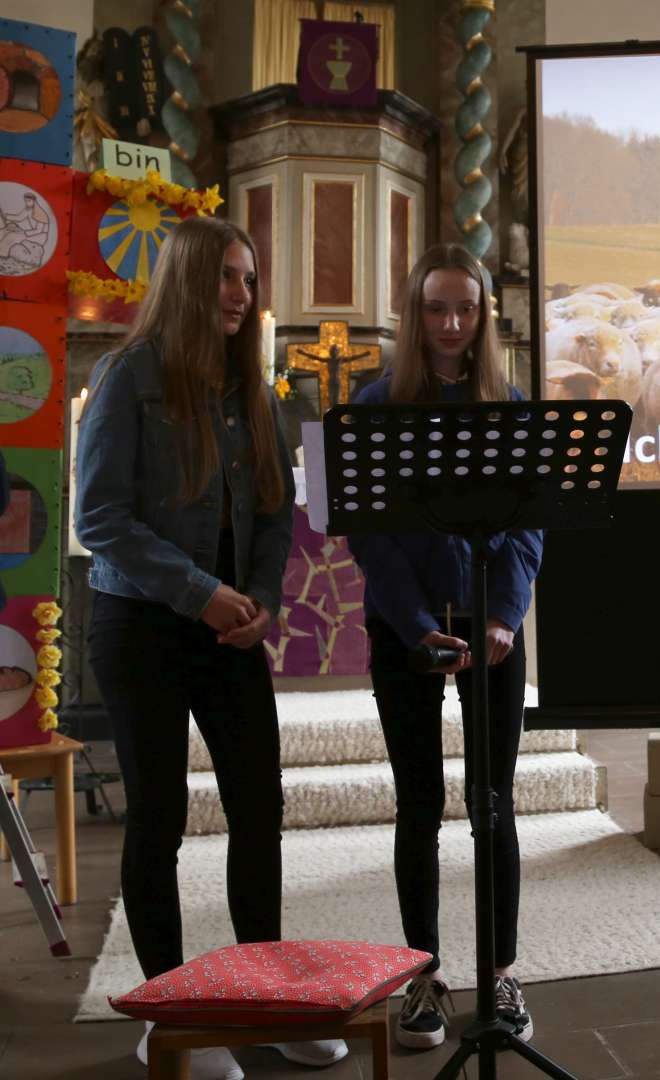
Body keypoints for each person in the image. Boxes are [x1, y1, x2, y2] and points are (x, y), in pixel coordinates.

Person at [75, 216, 344, 1078]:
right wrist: (201, 592)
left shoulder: (249, 386)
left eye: (249, 279)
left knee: (258, 810)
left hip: (230, 631)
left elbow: (272, 509)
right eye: (228, 276)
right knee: (158, 818)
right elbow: (99, 517)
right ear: (191, 281)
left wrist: (260, 598)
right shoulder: (129, 375)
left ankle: (263, 998)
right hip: (143, 626)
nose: (242, 294)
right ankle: (173, 1019)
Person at [347, 244, 544, 1050]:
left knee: (492, 802)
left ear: (484, 313)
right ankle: (421, 976)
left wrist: (503, 613)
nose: (453, 323)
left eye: (466, 308)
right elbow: (371, 531)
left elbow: (528, 525)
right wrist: (413, 620)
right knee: (419, 803)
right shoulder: (377, 403)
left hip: (490, 623)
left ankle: (500, 972)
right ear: (414, 313)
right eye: (437, 308)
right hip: (406, 627)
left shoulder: (509, 403)